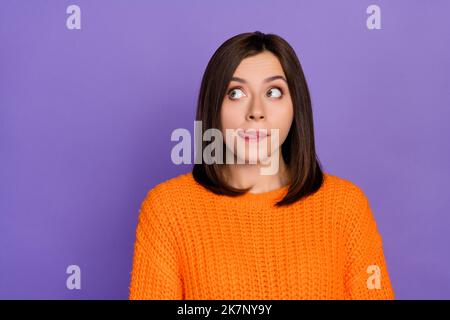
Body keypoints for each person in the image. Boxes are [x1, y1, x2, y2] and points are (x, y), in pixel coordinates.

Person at [129, 31, 395, 300]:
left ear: (296, 107)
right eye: (235, 93)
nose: (256, 110)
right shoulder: (167, 210)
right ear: (214, 107)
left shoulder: (346, 206)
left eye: (274, 92)